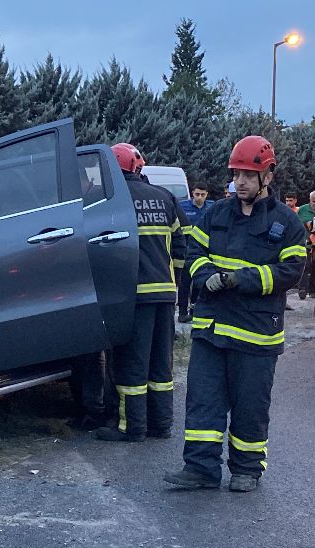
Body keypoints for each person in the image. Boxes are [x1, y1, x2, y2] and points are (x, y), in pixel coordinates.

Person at [163, 135, 306, 492]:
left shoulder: (287, 223)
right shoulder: (216, 214)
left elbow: (290, 271)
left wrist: (239, 279)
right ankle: (200, 468)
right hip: (212, 330)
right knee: (203, 402)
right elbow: (193, 250)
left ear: (267, 177)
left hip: (256, 335)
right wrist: (206, 276)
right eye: (236, 173)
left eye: (247, 174)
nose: (239, 181)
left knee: (250, 406)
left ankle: (246, 469)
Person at [94, 142, 186, 442]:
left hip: (132, 296)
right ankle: (161, 424)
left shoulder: (112, 201)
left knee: (131, 363)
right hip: (164, 294)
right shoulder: (164, 197)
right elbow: (182, 249)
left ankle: (132, 427)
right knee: (161, 363)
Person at [177, 184, 214, 323]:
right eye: (197, 194)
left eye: (202, 195)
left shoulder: (211, 207)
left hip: (205, 251)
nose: (199, 197)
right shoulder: (183, 207)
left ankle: (195, 310)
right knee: (185, 282)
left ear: (207, 194)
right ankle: (182, 311)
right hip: (187, 251)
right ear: (192, 193)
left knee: (200, 281)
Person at [297, 190, 315, 299]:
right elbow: (309, 225)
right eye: (314, 201)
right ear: (310, 201)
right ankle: (302, 289)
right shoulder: (303, 210)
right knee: (305, 266)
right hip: (305, 243)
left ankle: (312, 291)